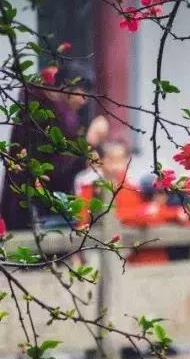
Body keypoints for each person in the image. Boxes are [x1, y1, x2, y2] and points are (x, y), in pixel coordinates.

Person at [0, 61, 109, 231]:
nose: (85, 100)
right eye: (82, 92)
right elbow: (55, 168)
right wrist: (88, 144)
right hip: (34, 208)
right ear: (65, 86)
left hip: (50, 205)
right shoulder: (40, 115)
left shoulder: (65, 115)